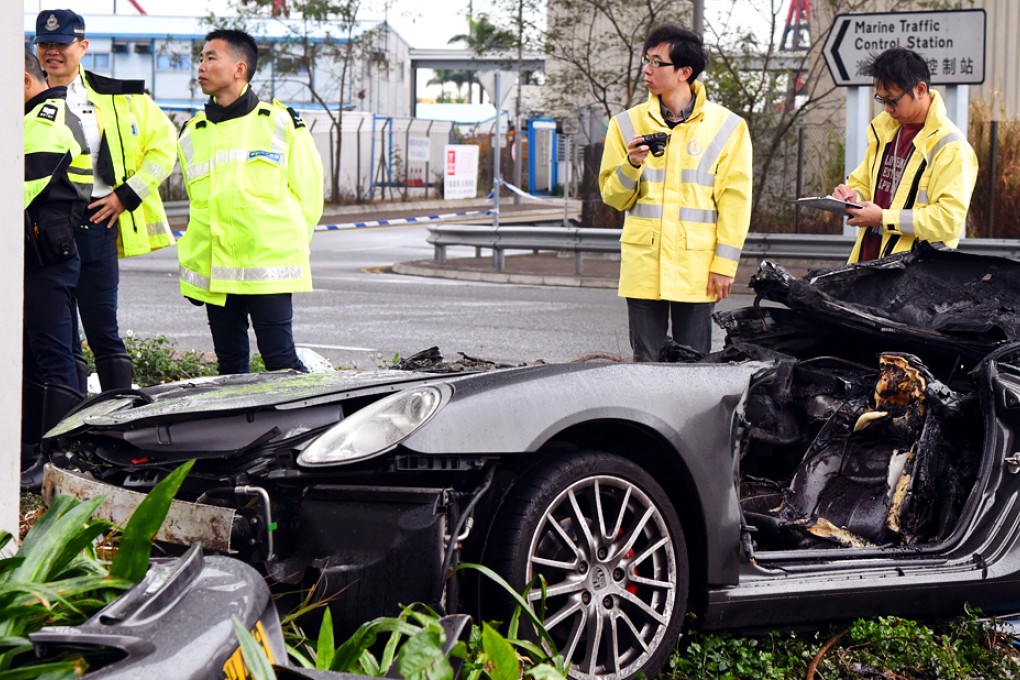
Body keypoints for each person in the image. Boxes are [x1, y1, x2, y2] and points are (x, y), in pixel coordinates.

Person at [34, 9, 177, 391]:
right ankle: (68, 430)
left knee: (103, 331)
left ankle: (121, 424)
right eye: (45, 44)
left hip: (96, 221)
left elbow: (164, 148)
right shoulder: (24, 98)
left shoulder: (120, 96)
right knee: (58, 339)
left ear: (82, 47)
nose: (53, 52)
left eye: (62, 44)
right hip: (45, 228)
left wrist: (125, 196)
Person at [599, 24, 752, 361]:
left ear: (685, 72)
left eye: (656, 62)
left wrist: (725, 265)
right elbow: (613, 197)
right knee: (645, 366)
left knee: (694, 365)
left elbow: (735, 202)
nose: (647, 69)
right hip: (644, 265)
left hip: (695, 267)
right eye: (646, 59)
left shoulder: (727, 127)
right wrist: (631, 165)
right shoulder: (625, 124)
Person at [177, 29, 324, 374]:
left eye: (211, 58)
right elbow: (199, 209)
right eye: (200, 58)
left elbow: (310, 195)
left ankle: (301, 428)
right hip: (216, 275)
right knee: (229, 370)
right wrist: (195, 269)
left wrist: (290, 246)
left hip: (268, 270)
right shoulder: (191, 133)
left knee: (281, 363)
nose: (201, 66)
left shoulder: (280, 123)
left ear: (239, 69)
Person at [832, 47, 978, 263]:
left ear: (920, 90)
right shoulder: (885, 132)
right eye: (882, 100)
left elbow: (948, 221)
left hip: (913, 278)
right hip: (869, 266)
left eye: (892, 100)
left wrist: (883, 218)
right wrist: (852, 197)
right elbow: (865, 185)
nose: (887, 109)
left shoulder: (951, 147)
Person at [22, 49, 92, 490]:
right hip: (46, 253)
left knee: (50, 358)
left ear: (22, 79)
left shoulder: (44, 118)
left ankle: (56, 460)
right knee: (53, 353)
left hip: (46, 255)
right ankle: (51, 453)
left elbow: (18, 187)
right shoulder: (43, 114)